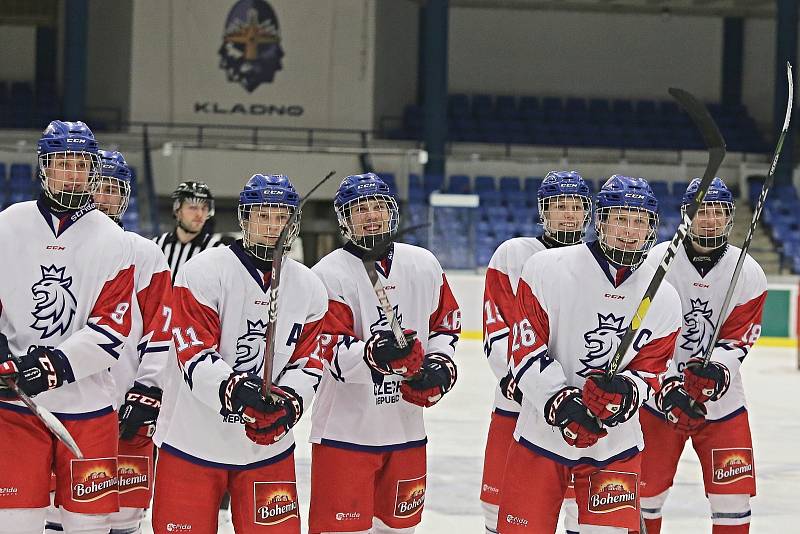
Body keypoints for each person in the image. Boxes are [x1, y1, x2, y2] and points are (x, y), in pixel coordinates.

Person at [497, 175, 682, 533]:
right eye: (621, 219)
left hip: (616, 444)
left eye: (639, 221)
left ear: (651, 228)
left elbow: (653, 369)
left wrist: (625, 394)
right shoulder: (546, 268)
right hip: (541, 433)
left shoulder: (665, 297)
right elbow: (524, 347)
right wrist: (561, 402)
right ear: (601, 220)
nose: (630, 230)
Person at [151, 174, 328, 534]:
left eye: (282, 217)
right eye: (263, 216)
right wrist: (235, 390)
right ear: (245, 219)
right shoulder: (203, 272)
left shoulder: (310, 286)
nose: (273, 226)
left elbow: (309, 361)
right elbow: (192, 349)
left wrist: (291, 402)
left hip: (267, 452)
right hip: (192, 443)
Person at [0, 121, 136, 534]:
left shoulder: (114, 240)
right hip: (16, 407)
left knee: (88, 527)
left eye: (80, 165)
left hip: (89, 409)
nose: (72, 174)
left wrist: (53, 364)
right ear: (44, 168)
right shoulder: (8, 224)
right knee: (14, 523)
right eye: (62, 164)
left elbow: (112, 329)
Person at [308, 172, 461, 534]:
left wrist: (439, 365)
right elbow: (329, 351)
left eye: (377, 206)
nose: (371, 215)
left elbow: (446, 325)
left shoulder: (423, 263)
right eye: (360, 209)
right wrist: (375, 355)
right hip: (345, 434)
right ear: (345, 218)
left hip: (406, 430)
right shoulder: (327, 274)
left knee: (399, 529)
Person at [639, 177, 766, 534]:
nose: (708, 219)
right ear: (686, 216)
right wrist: (667, 383)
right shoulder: (656, 261)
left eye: (717, 211)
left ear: (729, 217)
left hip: (722, 404)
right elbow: (642, 335)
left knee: (733, 500)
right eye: (701, 211)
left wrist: (718, 371)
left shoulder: (749, 271)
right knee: (643, 495)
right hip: (660, 399)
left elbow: (740, 338)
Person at [480, 170, 592, 534]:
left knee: (580, 507)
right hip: (516, 402)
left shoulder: (598, 264)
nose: (569, 214)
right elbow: (496, 327)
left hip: (577, 403)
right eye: (560, 206)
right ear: (543, 211)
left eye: (576, 206)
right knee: (500, 507)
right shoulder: (514, 254)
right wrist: (514, 377)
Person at [94, 149, 174, 534]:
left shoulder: (146, 254)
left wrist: (148, 389)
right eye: (99, 186)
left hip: (129, 404)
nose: (105, 196)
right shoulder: (63, 247)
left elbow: (162, 328)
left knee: (125, 516)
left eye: (114, 188)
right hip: (69, 401)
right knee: (62, 514)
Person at [153, 180, 222, 279]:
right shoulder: (157, 245)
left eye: (204, 208)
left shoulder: (217, 251)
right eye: (193, 207)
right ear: (178, 210)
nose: (200, 214)